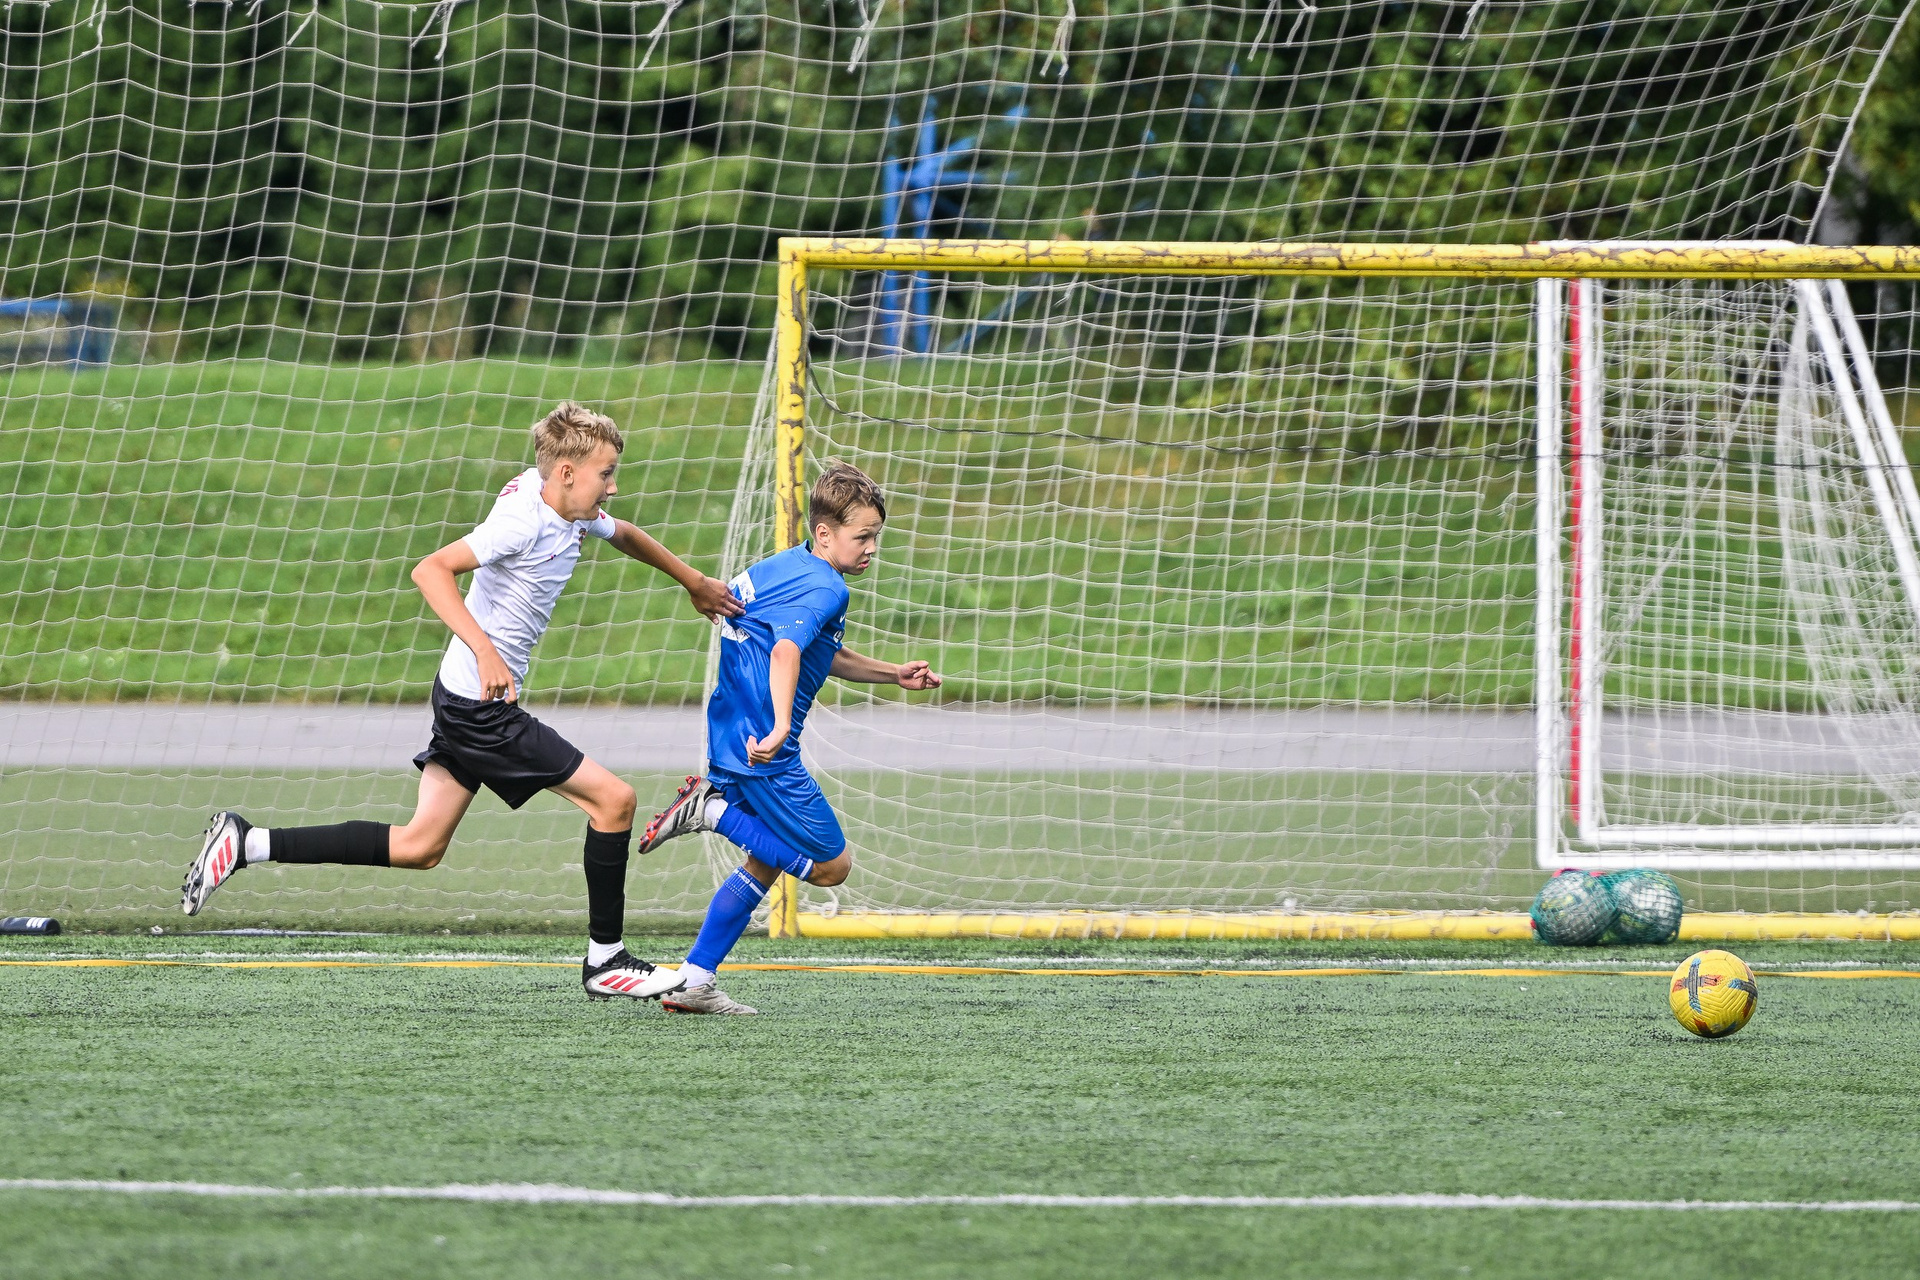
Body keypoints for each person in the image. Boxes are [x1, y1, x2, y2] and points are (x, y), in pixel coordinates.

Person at [179, 401, 742, 1004]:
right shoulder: (522, 521)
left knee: (420, 846)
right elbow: (431, 570)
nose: (612, 485)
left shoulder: (567, 503)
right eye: (605, 474)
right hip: (481, 707)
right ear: (567, 473)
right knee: (614, 801)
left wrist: (693, 581)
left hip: (460, 696)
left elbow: (622, 531)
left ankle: (248, 842)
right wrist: (486, 650)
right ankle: (606, 960)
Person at [636, 461, 941, 1014]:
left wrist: (892, 673)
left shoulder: (787, 566)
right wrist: (779, 728)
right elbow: (785, 652)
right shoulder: (828, 587)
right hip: (765, 751)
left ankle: (694, 981)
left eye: (876, 536)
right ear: (825, 532)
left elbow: (820, 651)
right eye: (863, 537)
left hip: (732, 732)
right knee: (831, 867)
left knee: (766, 861)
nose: (872, 548)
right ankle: (712, 812)